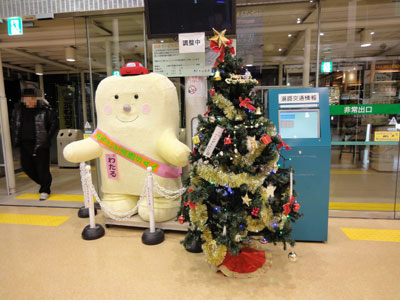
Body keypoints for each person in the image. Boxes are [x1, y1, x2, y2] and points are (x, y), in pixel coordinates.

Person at [12, 88, 58, 200]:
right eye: (26, 100)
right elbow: (15, 124)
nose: (28, 103)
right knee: (27, 167)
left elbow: (53, 124)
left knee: (42, 167)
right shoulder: (19, 110)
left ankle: (45, 189)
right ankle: (44, 182)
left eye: (30, 100)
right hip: (24, 143)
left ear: (35, 99)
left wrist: (47, 137)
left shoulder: (45, 110)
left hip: (40, 143)